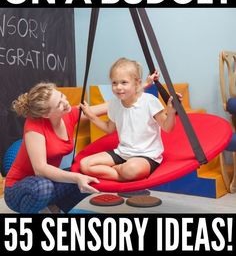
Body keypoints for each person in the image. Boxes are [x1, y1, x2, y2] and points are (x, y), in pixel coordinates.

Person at [4, 82, 108, 214]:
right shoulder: (34, 126)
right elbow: (40, 169)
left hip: (47, 183)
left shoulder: (68, 114)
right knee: (44, 187)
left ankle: (55, 209)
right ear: (46, 114)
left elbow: (105, 107)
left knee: (88, 172)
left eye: (62, 96)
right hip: (18, 190)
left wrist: (133, 94)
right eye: (59, 104)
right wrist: (76, 178)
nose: (65, 102)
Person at [80, 58, 181, 182]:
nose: (118, 87)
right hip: (122, 153)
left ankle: (119, 170)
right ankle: (120, 173)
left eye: (124, 82)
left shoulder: (149, 101)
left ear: (137, 83)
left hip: (146, 156)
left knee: (131, 169)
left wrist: (171, 112)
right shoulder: (114, 104)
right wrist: (91, 116)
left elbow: (167, 127)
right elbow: (109, 128)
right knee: (85, 164)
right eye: (114, 83)